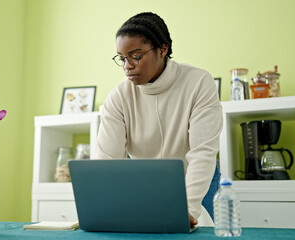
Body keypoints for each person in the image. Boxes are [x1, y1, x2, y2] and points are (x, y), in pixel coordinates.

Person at [95, 12, 223, 228]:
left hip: (197, 176)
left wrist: (188, 210)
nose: (127, 65)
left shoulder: (199, 82)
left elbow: (203, 153)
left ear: (162, 50)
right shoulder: (118, 97)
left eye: (136, 56)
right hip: (147, 183)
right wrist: (102, 209)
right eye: (122, 58)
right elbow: (106, 162)